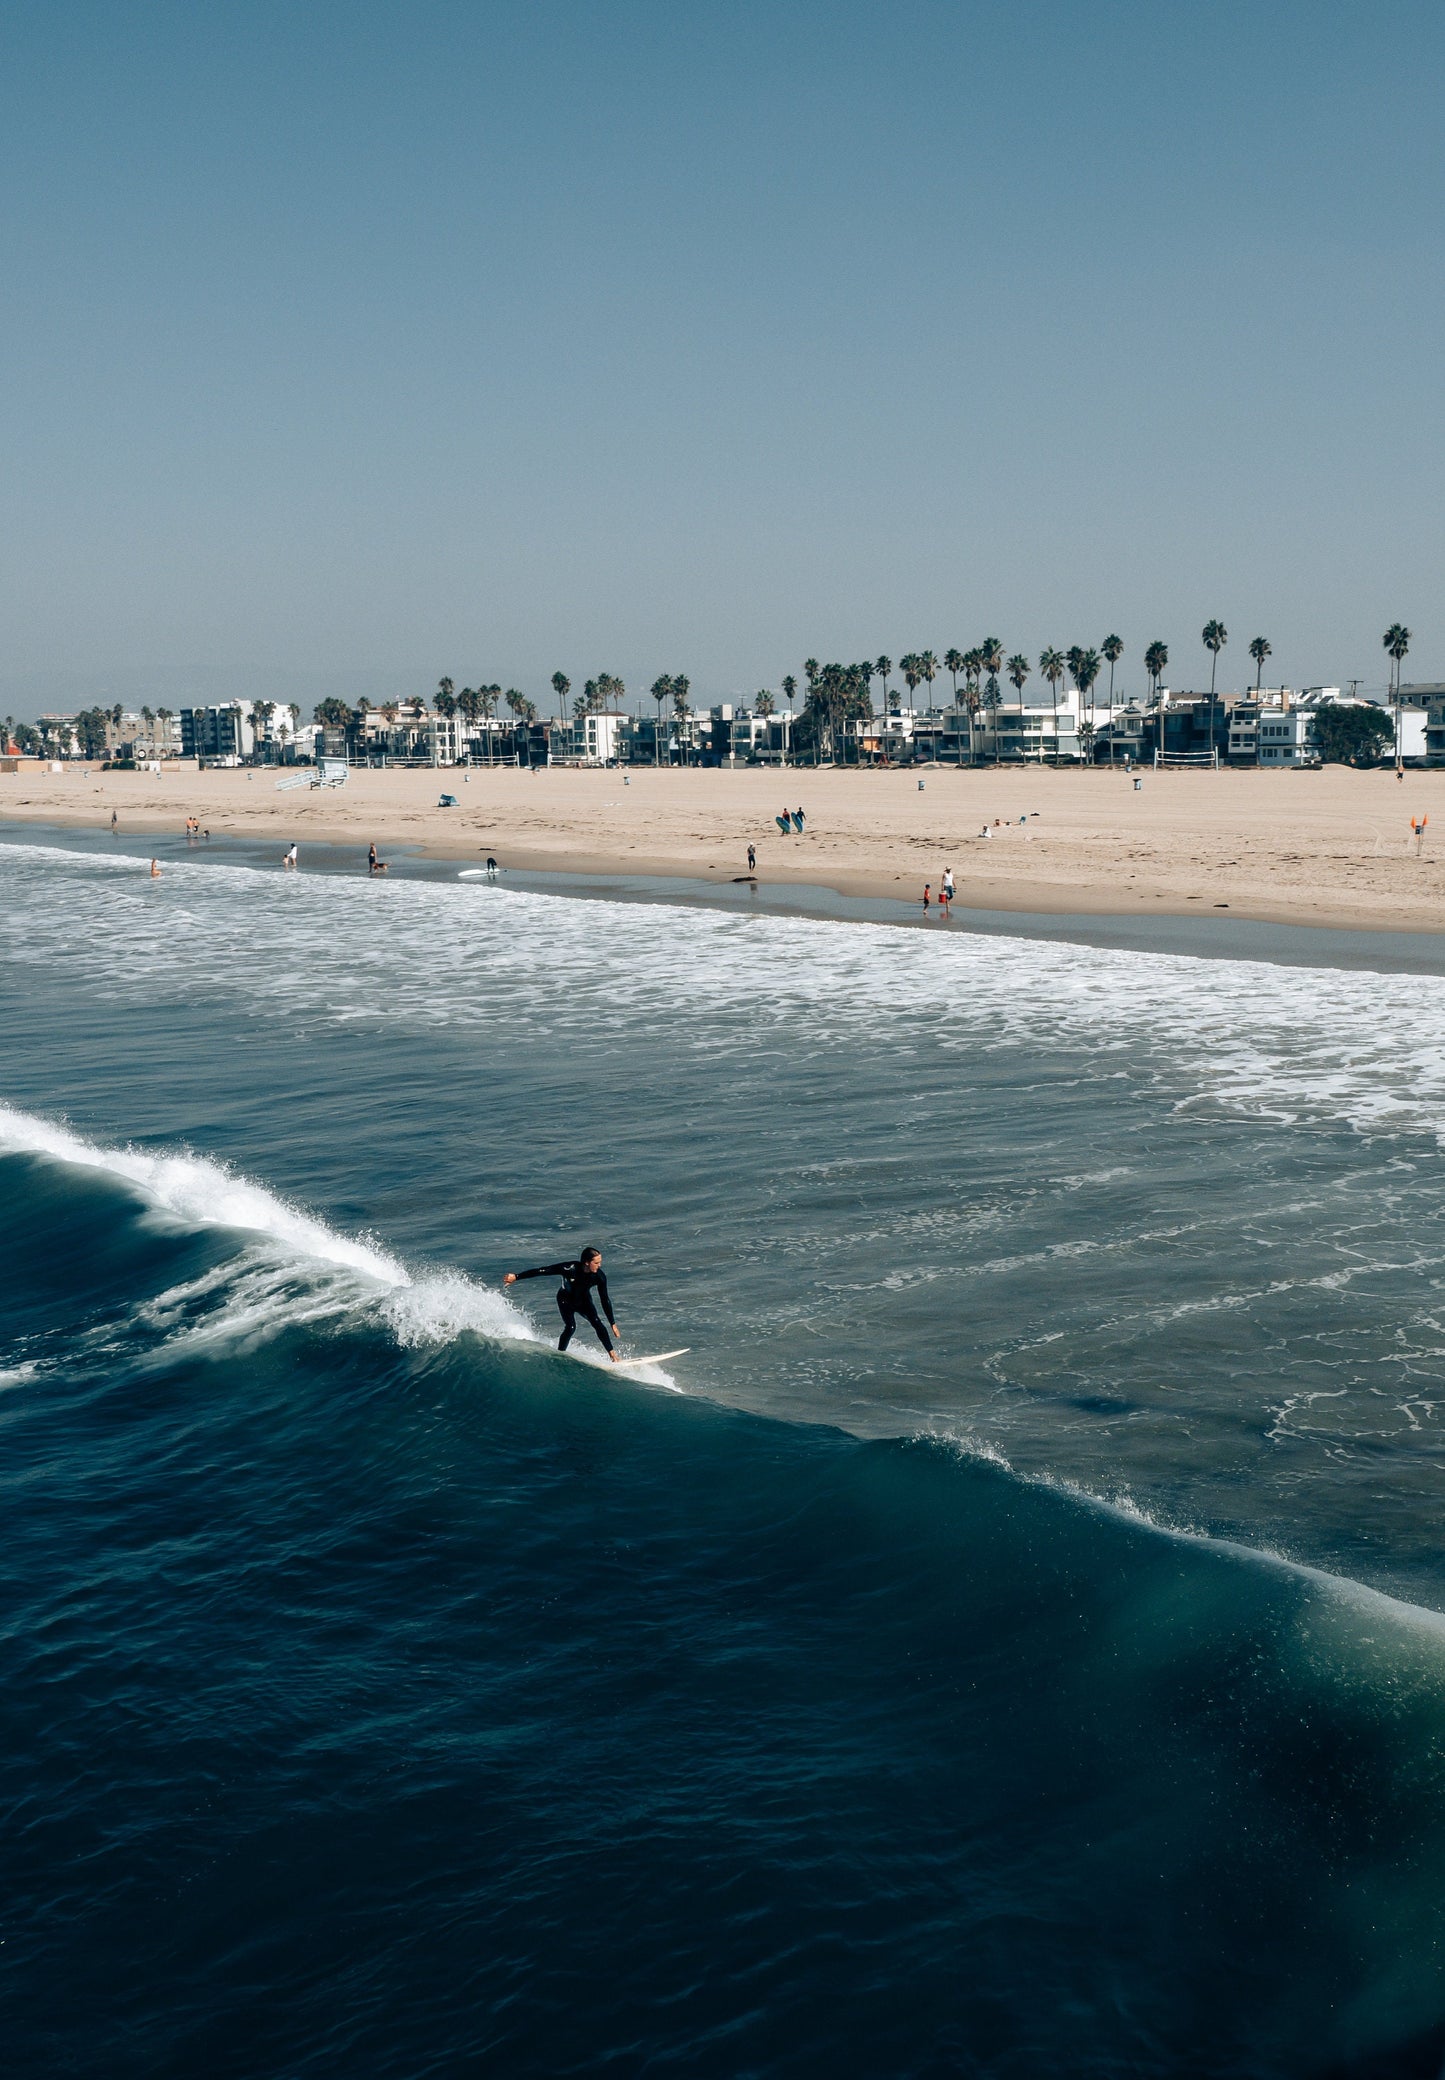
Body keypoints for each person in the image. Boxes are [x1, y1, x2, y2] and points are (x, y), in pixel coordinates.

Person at [504, 1246, 620, 1360]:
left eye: (600, 1262)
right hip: (565, 1300)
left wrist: (612, 1323)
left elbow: (605, 1299)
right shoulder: (569, 1268)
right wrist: (516, 1277)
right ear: (586, 1262)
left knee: (597, 1323)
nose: (599, 1265)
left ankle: (613, 1356)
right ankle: (560, 1354)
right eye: (596, 1263)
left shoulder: (599, 1276)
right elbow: (543, 1271)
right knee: (571, 1327)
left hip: (584, 1301)